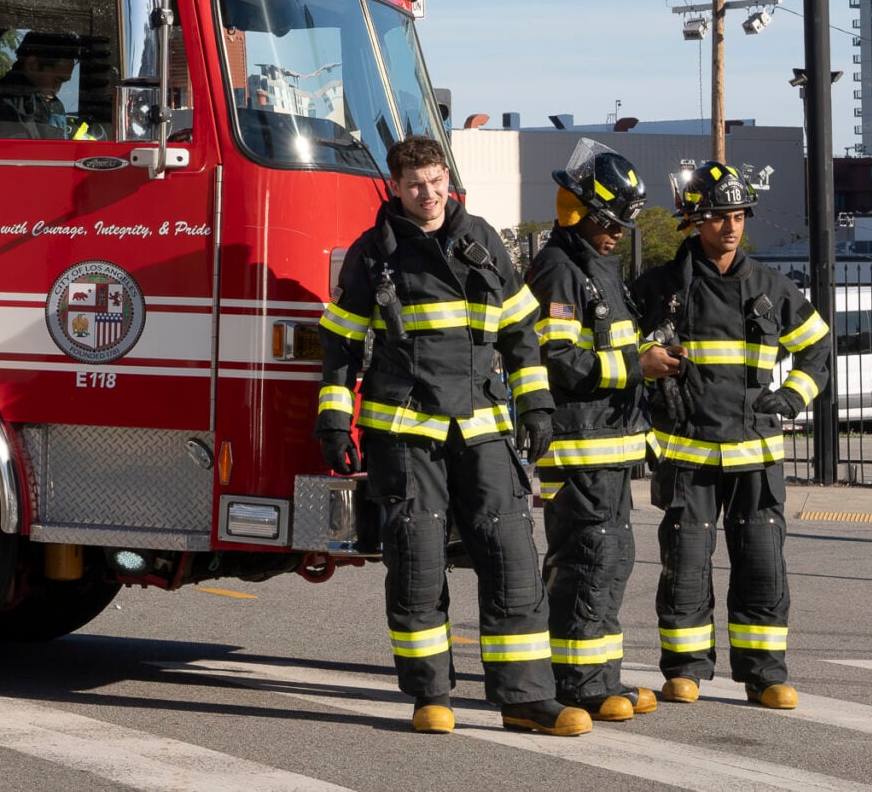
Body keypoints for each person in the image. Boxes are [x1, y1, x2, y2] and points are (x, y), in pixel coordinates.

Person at [318, 134, 590, 737]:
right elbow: (339, 345)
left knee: (512, 559)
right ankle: (431, 695)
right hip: (405, 432)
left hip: (483, 427)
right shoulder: (373, 253)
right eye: (416, 184)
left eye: (437, 181)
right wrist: (334, 418)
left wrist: (536, 404)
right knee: (416, 562)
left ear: (448, 178)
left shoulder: (483, 239)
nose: (429, 194)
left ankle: (525, 699)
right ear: (395, 187)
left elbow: (520, 331)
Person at [632, 160, 832, 711]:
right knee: (686, 561)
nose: (731, 226)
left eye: (739, 216)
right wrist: (645, 362)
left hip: (756, 454)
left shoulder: (771, 287)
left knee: (762, 564)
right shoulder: (658, 288)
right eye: (720, 216)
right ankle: (685, 671)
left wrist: (792, 397)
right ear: (695, 221)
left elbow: (818, 348)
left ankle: (765, 675)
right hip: (687, 452)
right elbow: (619, 348)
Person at [525, 141, 662, 723]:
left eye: (620, 225)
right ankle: (577, 683)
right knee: (587, 558)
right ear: (577, 210)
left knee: (611, 559)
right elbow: (557, 360)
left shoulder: (598, 266)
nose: (615, 234)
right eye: (607, 222)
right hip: (578, 446)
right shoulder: (559, 269)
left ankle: (602, 676)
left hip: (609, 445)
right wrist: (637, 366)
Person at [0, 30, 102, 140]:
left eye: (63, 82)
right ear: (32, 65)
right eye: (56, 80)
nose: (57, 90)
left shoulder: (55, 106)